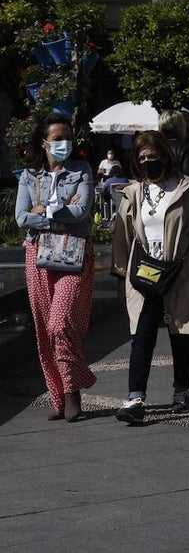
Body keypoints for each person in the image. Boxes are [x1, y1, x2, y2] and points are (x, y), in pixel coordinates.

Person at [111, 131, 189, 424]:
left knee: (180, 333)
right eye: (142, 158)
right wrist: (120, 274)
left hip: (181, 270)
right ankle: (135, 398)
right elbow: (122, 237)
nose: (148, 162)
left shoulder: (188, 189)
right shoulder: (133, 193)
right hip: (144, 273)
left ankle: (181, 391)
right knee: (142, 334)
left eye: (153, 156)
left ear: (165, 155)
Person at [14, 115, 97, 422]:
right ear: (44, 143)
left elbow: (82, 211)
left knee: (59, 324)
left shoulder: (81, 170)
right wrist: (59, 210)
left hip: (72, 252)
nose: (65, 143)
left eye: (68, 137)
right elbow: (21, 217)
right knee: (43, 328)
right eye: (58, 138)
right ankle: (58, 395)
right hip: (37, 253)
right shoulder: (28, 176)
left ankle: (73, 389)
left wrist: (44, 210)